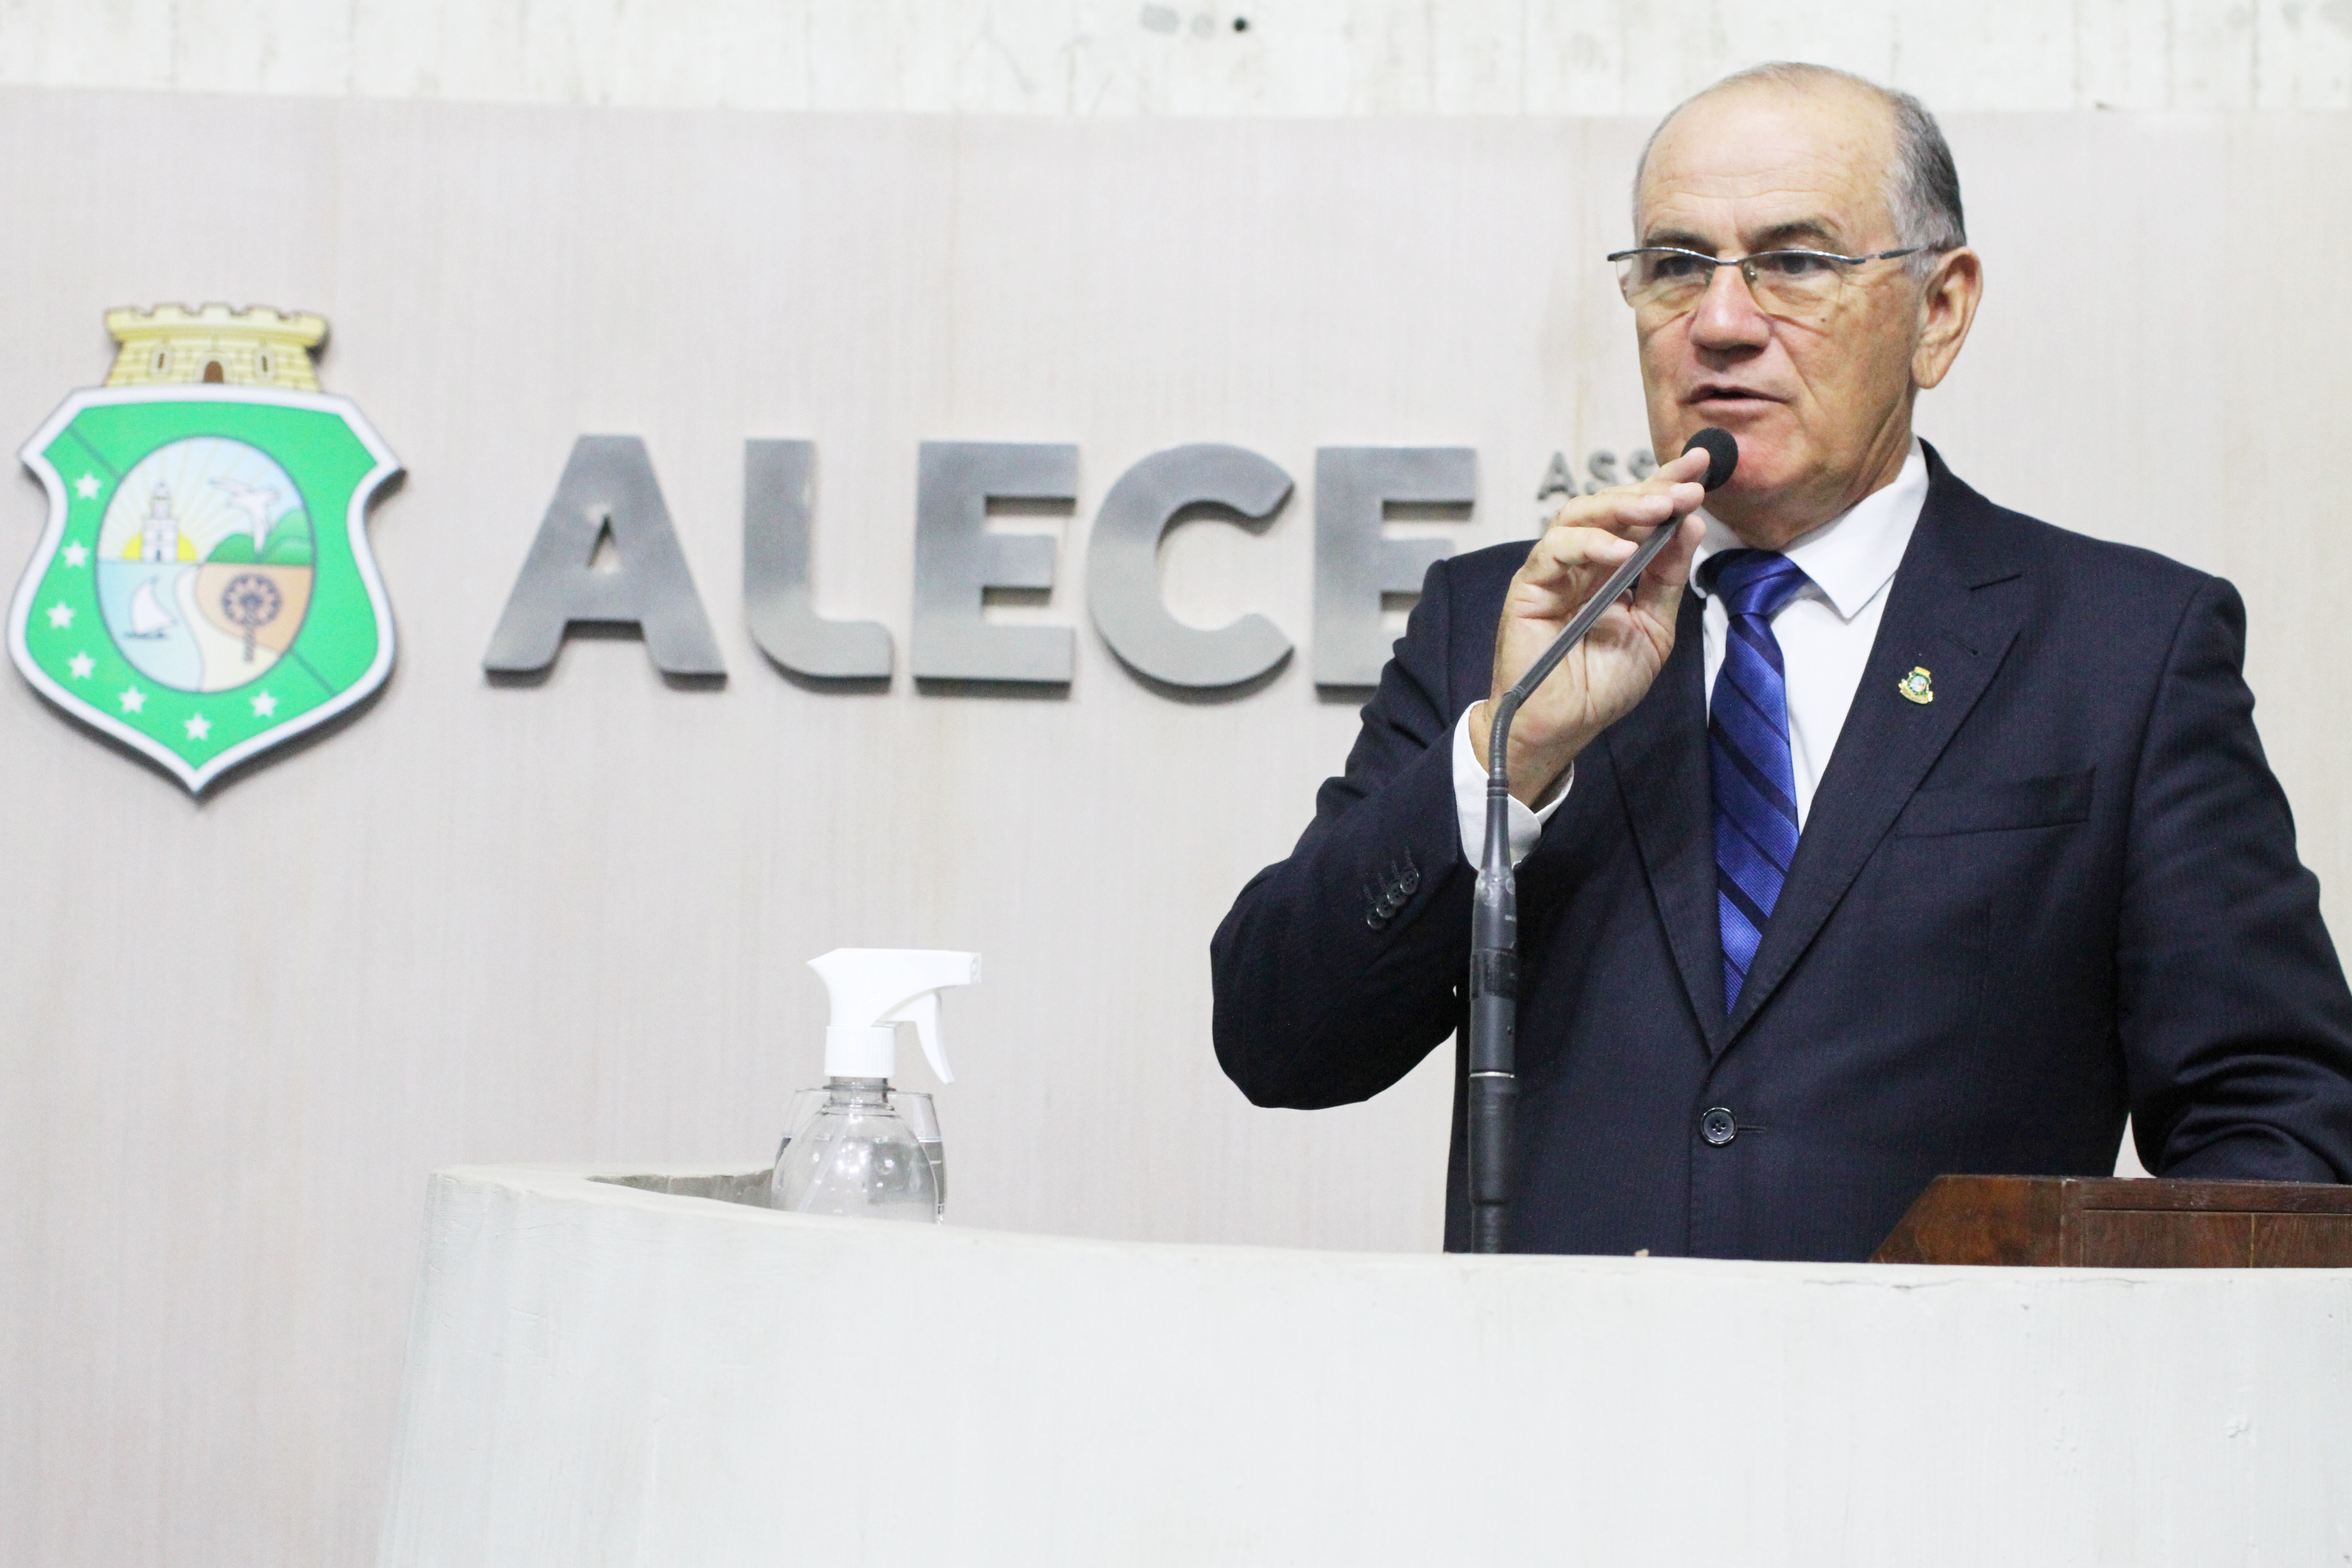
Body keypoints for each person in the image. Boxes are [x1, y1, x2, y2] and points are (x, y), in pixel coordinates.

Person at [1209, 62, 2352, 1260]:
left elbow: (2275, 1118)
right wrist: (1510, 754)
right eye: (1676, 265)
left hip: (1963, 1379)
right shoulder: (1505, 625)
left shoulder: (2123, 649)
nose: (1720, 322)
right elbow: (1279, 1040)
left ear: (1940, 310)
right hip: (1562, 1380)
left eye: (1796, 262)